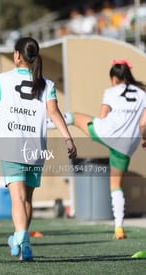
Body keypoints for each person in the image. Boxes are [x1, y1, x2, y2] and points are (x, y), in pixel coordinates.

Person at [0, 37, 77, 261]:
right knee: (27, 199)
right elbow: (55, 114)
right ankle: (20, 240)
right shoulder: (47, 84)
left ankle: (22, 241)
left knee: (17, 199)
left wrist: (6, 125)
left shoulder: (2, 79)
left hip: (12, 144)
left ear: (17, 55)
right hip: (36, 147)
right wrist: (68, 139)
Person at [47, 59, 146, 240]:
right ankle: (118, 228)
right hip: (126, 144)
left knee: (75, 117)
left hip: (106, 132)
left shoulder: (111, 91)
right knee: (116, 185)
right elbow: (143, 123)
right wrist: (144, 138)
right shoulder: (143, 93)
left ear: (114, 79)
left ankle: (43, 125)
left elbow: (102, 116)